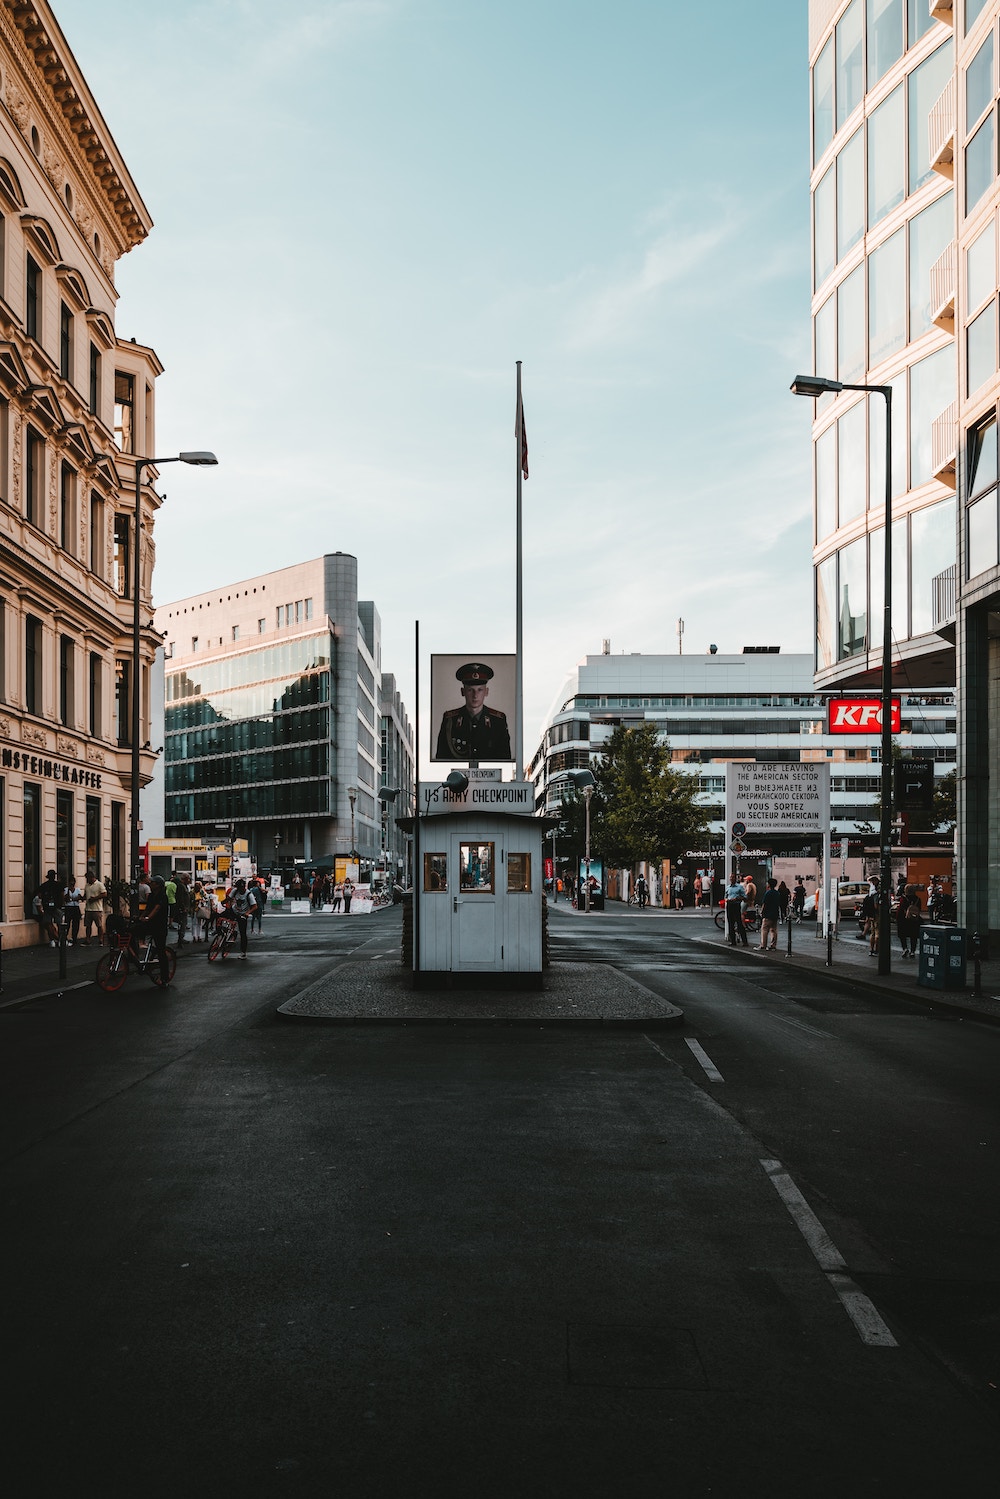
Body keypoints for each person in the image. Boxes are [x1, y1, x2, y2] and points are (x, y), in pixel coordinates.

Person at [435, 662, 511, 761]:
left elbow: (505, 757)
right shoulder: (450, 720)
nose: (475, 695)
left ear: (486, 692)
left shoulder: (498, 720)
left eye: (480, 690)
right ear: (463, 692)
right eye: (470, 690)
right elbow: (442, 756)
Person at [137, 875, 172, 987]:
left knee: (161, 952)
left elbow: (156, 908)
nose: (150, 884)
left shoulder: (163, 896)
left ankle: (165, 978)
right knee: (135, 930)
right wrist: (141, 917)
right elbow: (148, 908)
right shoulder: (151, 896)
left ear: (158, 885)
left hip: (160, 926)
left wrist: (148, 917)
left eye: (152, 883)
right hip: (151, 924)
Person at [224, 878, 252, 958]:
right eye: (238, 888)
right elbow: (228, 899)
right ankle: (221, 932)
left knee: (243, 933)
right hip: (234, 910)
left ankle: (243, 952)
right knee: (219, 916)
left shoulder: (249, 894)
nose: (239, 890)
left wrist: (247, 913)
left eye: (241, 888)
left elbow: (255, 906)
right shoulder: (235, 891)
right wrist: (222, 903)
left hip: (243, 914)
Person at [36, 870, 62, 946]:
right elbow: (62, 895)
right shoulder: (58, 885)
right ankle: (61, 940)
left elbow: (39, 896)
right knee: (60, 924)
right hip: (57, 907)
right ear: (54, 876)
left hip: (47, 907)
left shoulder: (44, 885)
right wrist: (60, 905)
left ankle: (52, 941)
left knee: (49, 924)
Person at [82, 867, 107, 946]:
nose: (87, 880)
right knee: (88, 925)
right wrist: (81, 897)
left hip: (97, 909)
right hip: (88, 908)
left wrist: (95, 898)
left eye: (88, 878)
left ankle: (101, 940)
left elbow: (104, 894)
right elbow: (85, 895)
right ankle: (88, 939)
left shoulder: (99, 884)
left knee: (99, 925)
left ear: (92, 877)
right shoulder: (87, 885)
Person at [725, 873, 748, 946]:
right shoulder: (728, 887)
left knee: (739, 923)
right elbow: (725, 896)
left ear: (735, 878)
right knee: (730, 923)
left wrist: (737, 898)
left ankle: (745, 941)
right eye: (730, 877)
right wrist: (727, 899)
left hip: (736, 904)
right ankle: (733, 941)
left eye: (733, 877)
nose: (731, 879)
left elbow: (745, 897)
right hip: (729, 905)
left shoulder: (739, 887)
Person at [759, 878, 781, 951]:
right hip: (775, 913)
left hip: (768, 914)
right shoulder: (777, 893)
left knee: (764, 929)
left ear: (769, 884)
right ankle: (773, 945)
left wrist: (762, 912)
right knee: (774, 930)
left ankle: (763, 945)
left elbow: (765, 904)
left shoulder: (768, 893)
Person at [901, 884, 922, 959]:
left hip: (904, 920)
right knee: (914, 936)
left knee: (903, 935)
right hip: (914, 920)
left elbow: (901, 909)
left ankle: (905, 948)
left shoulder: (903, 898)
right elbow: (919, 909)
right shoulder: (918, 899)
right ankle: (912, 951)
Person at [62, 875, 83, 946]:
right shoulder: (65, 889)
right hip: (68, 908)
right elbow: (66, 898)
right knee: (67, 923)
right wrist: (69, 890)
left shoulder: (77, 890)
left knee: (76, 924)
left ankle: (74, 938)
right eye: (71, 883)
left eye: (73, 883)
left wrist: (72, 899)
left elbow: (79, 897)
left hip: (76, 908)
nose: (72, 884)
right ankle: (65, 938)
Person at [860, 886, 879, 955]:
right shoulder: (876, 896)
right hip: (877, 915)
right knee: (877, 933)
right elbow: (876, 906)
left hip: (871, 916)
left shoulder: (869, 896)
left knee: (872, 933)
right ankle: (876, 949)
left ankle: (871, 949)